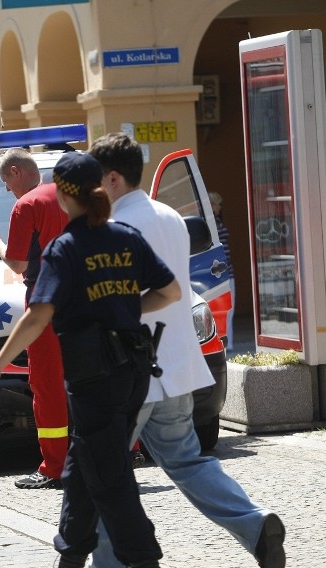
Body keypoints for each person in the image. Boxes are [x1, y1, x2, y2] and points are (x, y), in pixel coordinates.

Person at [88, 133, 285, 568]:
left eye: (95, 178)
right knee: (188, 461)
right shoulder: (170, 216)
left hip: (133, 369)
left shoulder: (115, 228)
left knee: (105, 474)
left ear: (114, 178)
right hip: (176, 365)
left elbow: (121, 298)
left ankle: (110, 563)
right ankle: (253, 524)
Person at [0, 152, 181, 568]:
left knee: (110, 478)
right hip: (133, 370)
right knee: (84, 465)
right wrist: (125, 310)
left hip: (92, 375)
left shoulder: (65, 250)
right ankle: (69, 555)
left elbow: (38, 316)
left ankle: (143, 560)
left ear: (65, 196)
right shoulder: (126, 237)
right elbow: (171, 292)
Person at [0, 147, 69, 489]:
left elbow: (18, 265)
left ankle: (54, 468)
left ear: (17, 171)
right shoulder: (70, 195)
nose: (7, 189)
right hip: (87, 297)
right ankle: (127, 450)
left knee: (46, 384)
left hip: (46, 297)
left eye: (6, 181)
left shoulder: (27, 205)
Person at [209, 191, 235, 352]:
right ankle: (225, 342)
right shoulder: (212, 224)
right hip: (223, 272)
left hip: (225, 270)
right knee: (226, 310)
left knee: (227, 310)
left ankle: (227, 342)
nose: (219, 207)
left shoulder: (215, 222)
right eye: (217, 204)